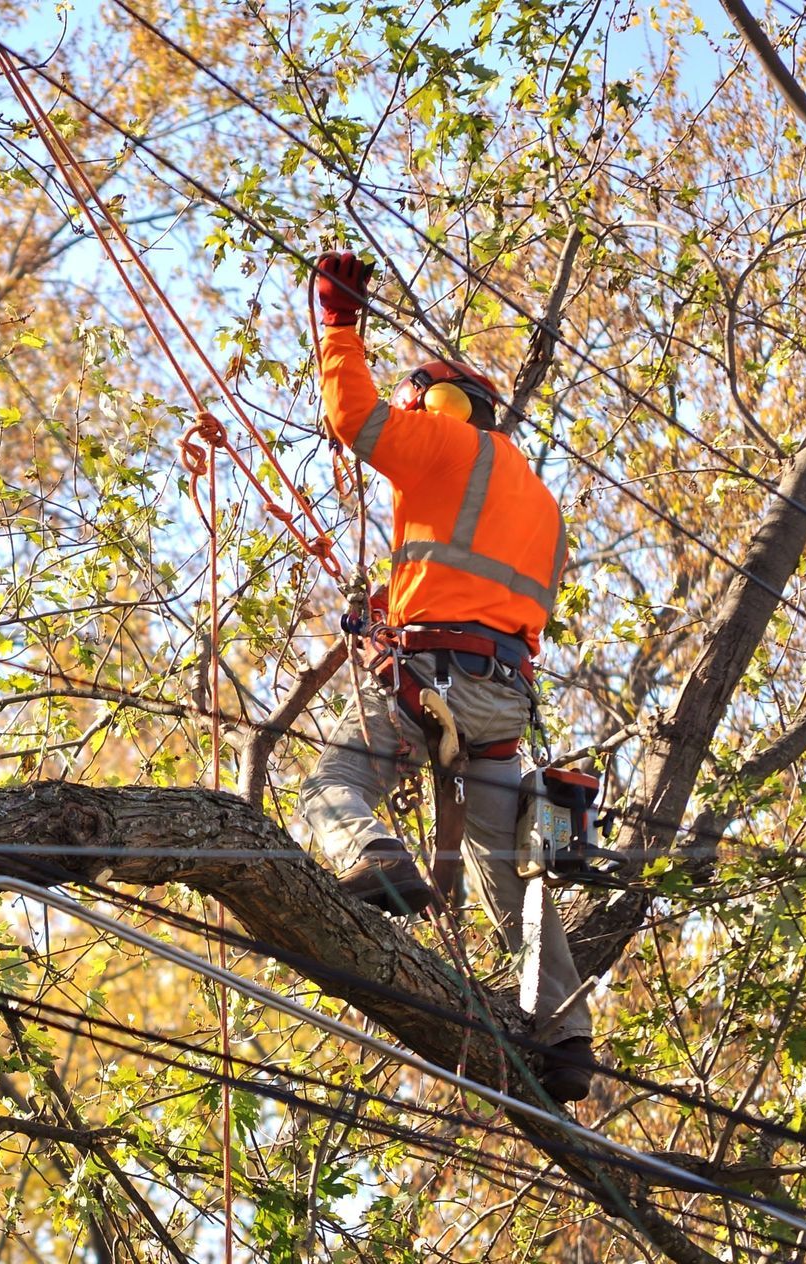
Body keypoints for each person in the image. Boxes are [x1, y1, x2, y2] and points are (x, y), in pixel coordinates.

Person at [297, 251, 597, 1103]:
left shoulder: (445, 441)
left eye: (418, 400)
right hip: (500, 691)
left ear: (443, 403)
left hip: (430, 676)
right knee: (512, 871)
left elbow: (354, 419)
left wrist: (339, 325)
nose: (410, 411)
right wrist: (384, 609)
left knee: (336, 781)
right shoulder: (539, 502)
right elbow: (470, 582)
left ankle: (372, 856)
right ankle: (567, 1037)